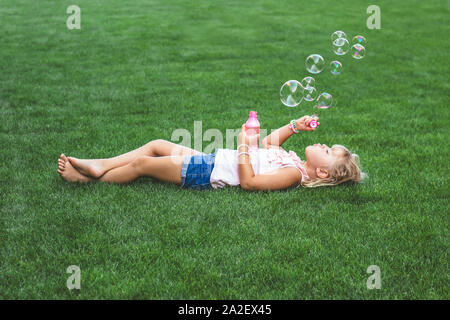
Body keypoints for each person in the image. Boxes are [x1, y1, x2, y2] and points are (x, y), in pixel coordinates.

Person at [57, 115, 364, 191]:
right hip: (213, 160)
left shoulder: (293, 175)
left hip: (207, 173)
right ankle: (101, 165)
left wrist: (244, 145)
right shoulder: (295, 159)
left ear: (321, 172)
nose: (323, 145)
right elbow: (270, 145)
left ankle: (91, 180)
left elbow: (249, 183)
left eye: (328, 151)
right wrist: (294, 126)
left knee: (143, 163)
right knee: (157, 143)